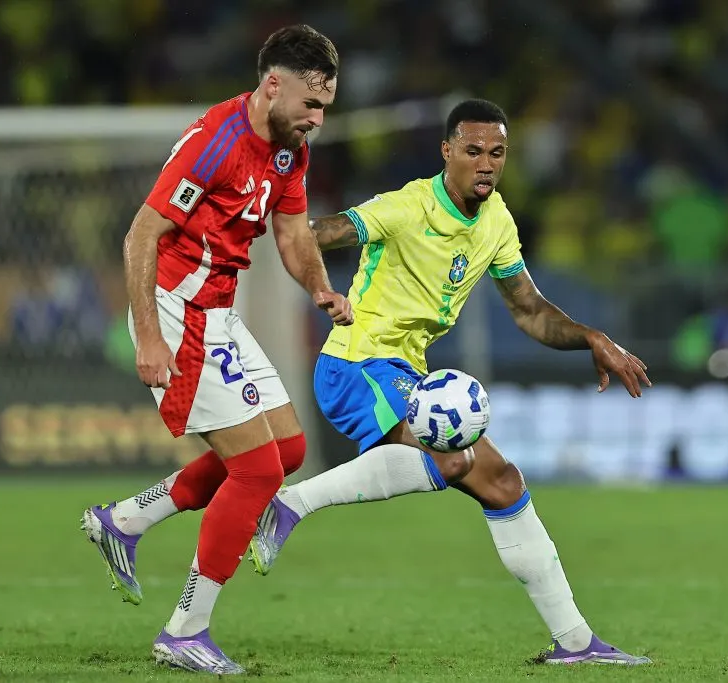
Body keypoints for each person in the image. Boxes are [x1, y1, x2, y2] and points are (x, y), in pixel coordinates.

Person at [248, 99, 653, 666]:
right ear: (447, 152)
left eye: (497, 153)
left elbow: (530, 311)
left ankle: (576, 643)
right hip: (356, 364)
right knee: (455, 460)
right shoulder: (409, 205)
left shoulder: (497, 221)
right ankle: (289, 506)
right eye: (472, 151)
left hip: (404, 371)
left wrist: (590, 337)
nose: (485, 164)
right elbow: (322, 232)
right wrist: (289, 232)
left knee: (504, 484)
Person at [79, 24, 352, 675]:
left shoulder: (289, 150)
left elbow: (290, 232)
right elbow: (141, 235)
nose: (317, 120)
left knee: (287, 451)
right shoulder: (216, 144)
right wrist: (147, 334)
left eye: (325, 109)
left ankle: (125, 521)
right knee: (257, 471)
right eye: (310, 106)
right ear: (272, 84)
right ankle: (185, 629)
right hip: (177, 314)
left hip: (218, 313)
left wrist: (320, 288)